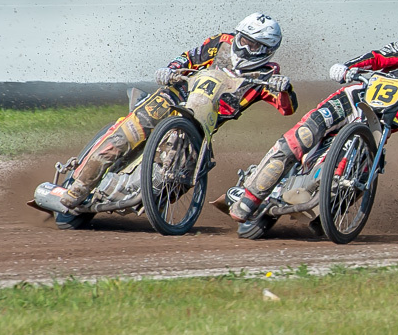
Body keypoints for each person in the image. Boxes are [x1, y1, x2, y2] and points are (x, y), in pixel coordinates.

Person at [228, 23, 398, 224]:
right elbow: (379, 57)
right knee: (304, 135)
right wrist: (348, 67)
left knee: (361, 172)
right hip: (353, 98)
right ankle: (249, 196)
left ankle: (327, 211)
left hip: (379, 128)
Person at [60, 13, 298, 209]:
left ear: (267, 49)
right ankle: (78, 186)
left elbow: (287, 108)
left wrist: (284, 88)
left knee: (183, 179)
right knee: (123, 136)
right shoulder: (221, 42)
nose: (244, 46)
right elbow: (188, 58)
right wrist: (170, 69)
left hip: (201, 127)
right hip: (173, 96)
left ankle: (144, 201)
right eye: (243, 39)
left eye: (253, 44)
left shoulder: (269, 75)